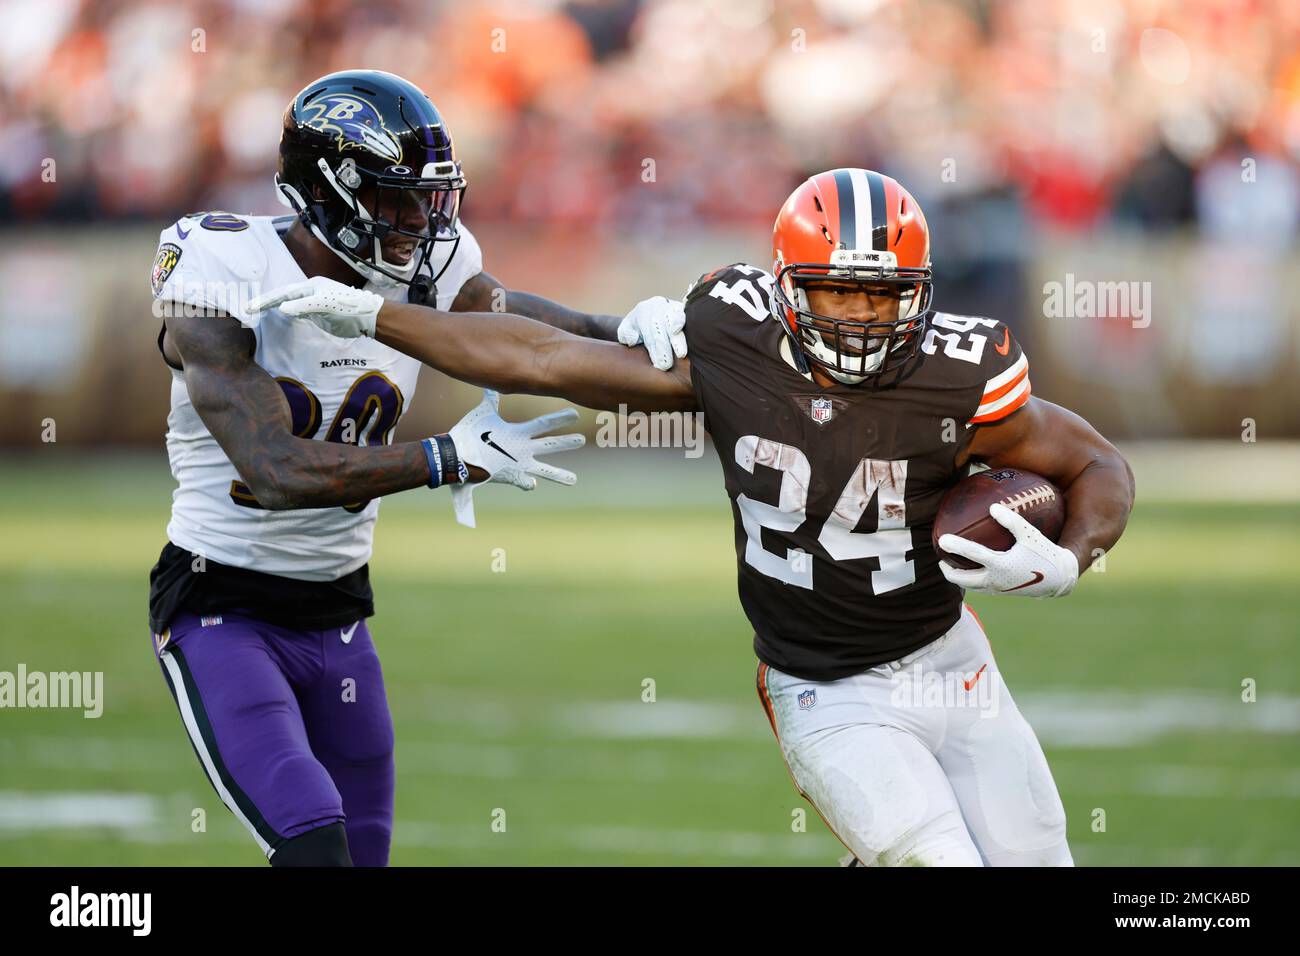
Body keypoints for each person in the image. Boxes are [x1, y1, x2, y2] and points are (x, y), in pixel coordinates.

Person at [255, 167, 1135, 866]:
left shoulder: (960, 370)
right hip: (825, 686)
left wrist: (1075, 555)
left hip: (953, 662)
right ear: (789, 288)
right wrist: (381, 315)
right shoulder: (734, 339)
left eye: (883, 295)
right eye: (837, 293)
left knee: (1037, 858)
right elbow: (543, 355)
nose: (863, 317)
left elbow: (1095, 461)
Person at [147, 69, 682, 866]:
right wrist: (440, 460)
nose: (419, 221)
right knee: (313, 838)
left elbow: (526, 336)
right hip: (223, 606)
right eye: (397, 200)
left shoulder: (426, 264)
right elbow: (274, 470)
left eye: (430, 198)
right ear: (325, 192)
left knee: (363, 855)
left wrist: (631, 330)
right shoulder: (218, 264)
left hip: (341, 619)